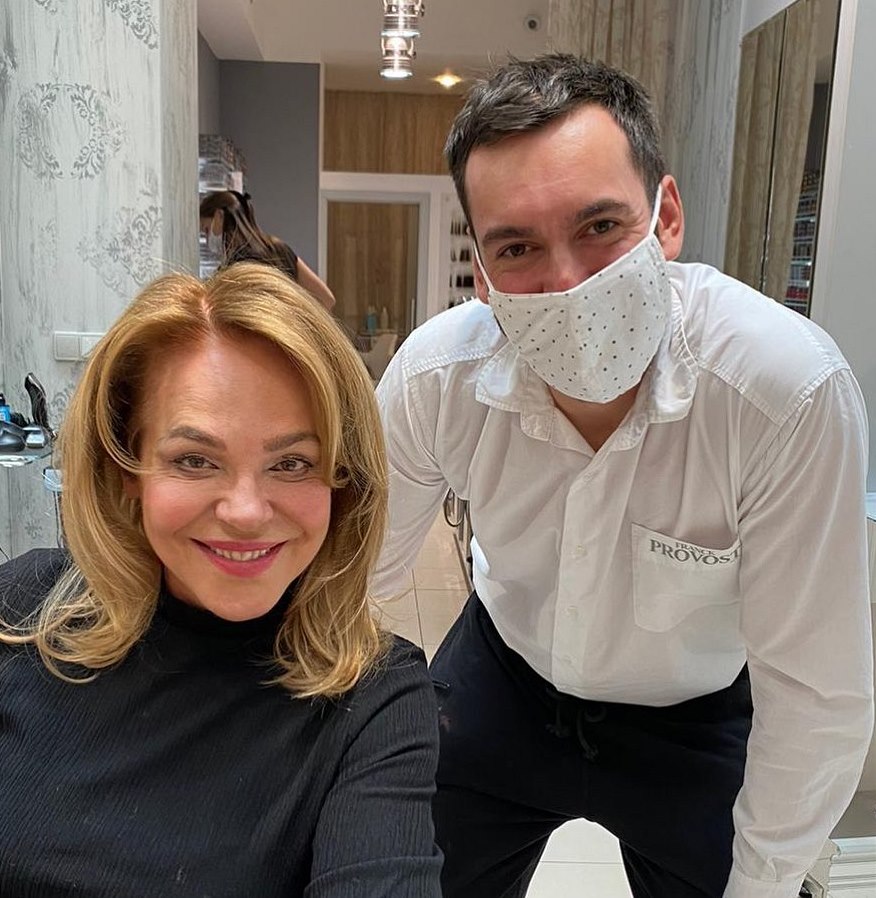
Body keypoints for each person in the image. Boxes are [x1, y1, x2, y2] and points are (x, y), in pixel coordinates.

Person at [372, 54, 873, 898]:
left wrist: (763, 883)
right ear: (482, 275)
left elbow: (816, 689)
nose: (567, 283)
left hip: (697, 713)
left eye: (600, 226)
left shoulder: (782, 393)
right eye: (517, 247)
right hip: (504, 672)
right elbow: (344, 589)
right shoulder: (438, 380)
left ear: (665, 219)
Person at [0, 263, 442, 897]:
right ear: (127, 468)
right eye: (194, 460)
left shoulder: (374, 703)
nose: (246, 512)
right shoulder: (20, 612)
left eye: (292, 463)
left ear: (343, 480)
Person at [200, 189, 337, 310]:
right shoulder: (278, 247)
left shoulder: (236, 267)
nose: (207, 239)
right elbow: (326, 299)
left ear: (219, 216)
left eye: (206, 230)